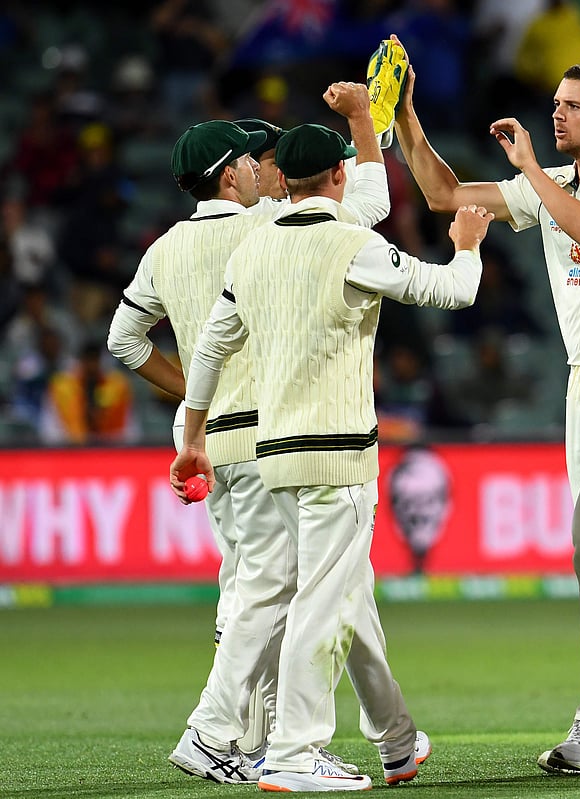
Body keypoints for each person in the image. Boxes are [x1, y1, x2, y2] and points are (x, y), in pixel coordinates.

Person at [171, 122, 492, 792]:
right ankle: (292, 750)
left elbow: (208, 350)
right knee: (321, 602)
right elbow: (452, 291)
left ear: (281, 180)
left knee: (343, 595)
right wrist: (467, 248)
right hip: (338, 456)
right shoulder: (354, 243)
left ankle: (396, 739)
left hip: (273, 455)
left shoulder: (252, 252)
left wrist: (193, 436)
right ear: (340, 178)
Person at [107, 85, 413, 785]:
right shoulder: (271, 225)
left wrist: (194, 394)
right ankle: (248, 737)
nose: (258, 168)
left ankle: (304, 737)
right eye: (247, 161)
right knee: (296, 589)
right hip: (278, 434)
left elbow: (125, 340)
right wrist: (365, 124)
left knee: (254, 586)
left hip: (210, 440)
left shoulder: (162, 249)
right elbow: (368, 205)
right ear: (228, 176)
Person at [390, 43, 580, 774]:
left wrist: (531, 174)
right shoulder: (556, 184)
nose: (556, 112)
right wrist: (406, 118)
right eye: (555, 102)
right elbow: (447, 198)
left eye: (571, 105)